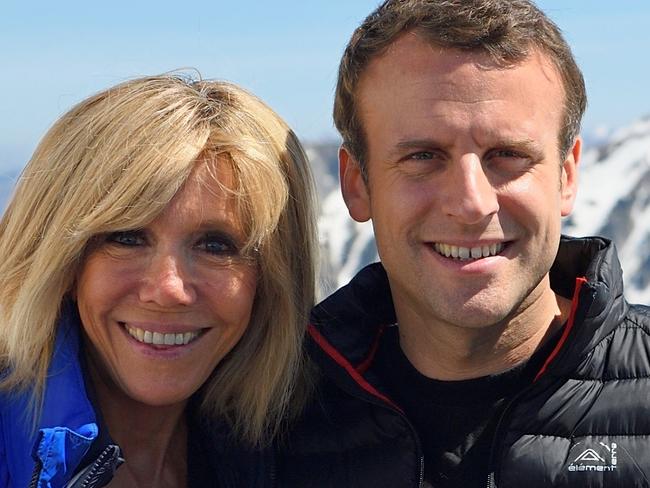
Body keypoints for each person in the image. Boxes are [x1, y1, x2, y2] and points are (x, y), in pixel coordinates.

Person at [276, 1, 650, 487]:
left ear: (566, 175)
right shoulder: (264, 423)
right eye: (424, 156)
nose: (472, 203)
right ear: (356, 184)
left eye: (508, 155)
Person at [0, 75, 317, 487]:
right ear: (61, 264)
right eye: (127, 237)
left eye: (216, 246)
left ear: (270, 280)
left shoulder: (312, 450)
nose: (168, 288)